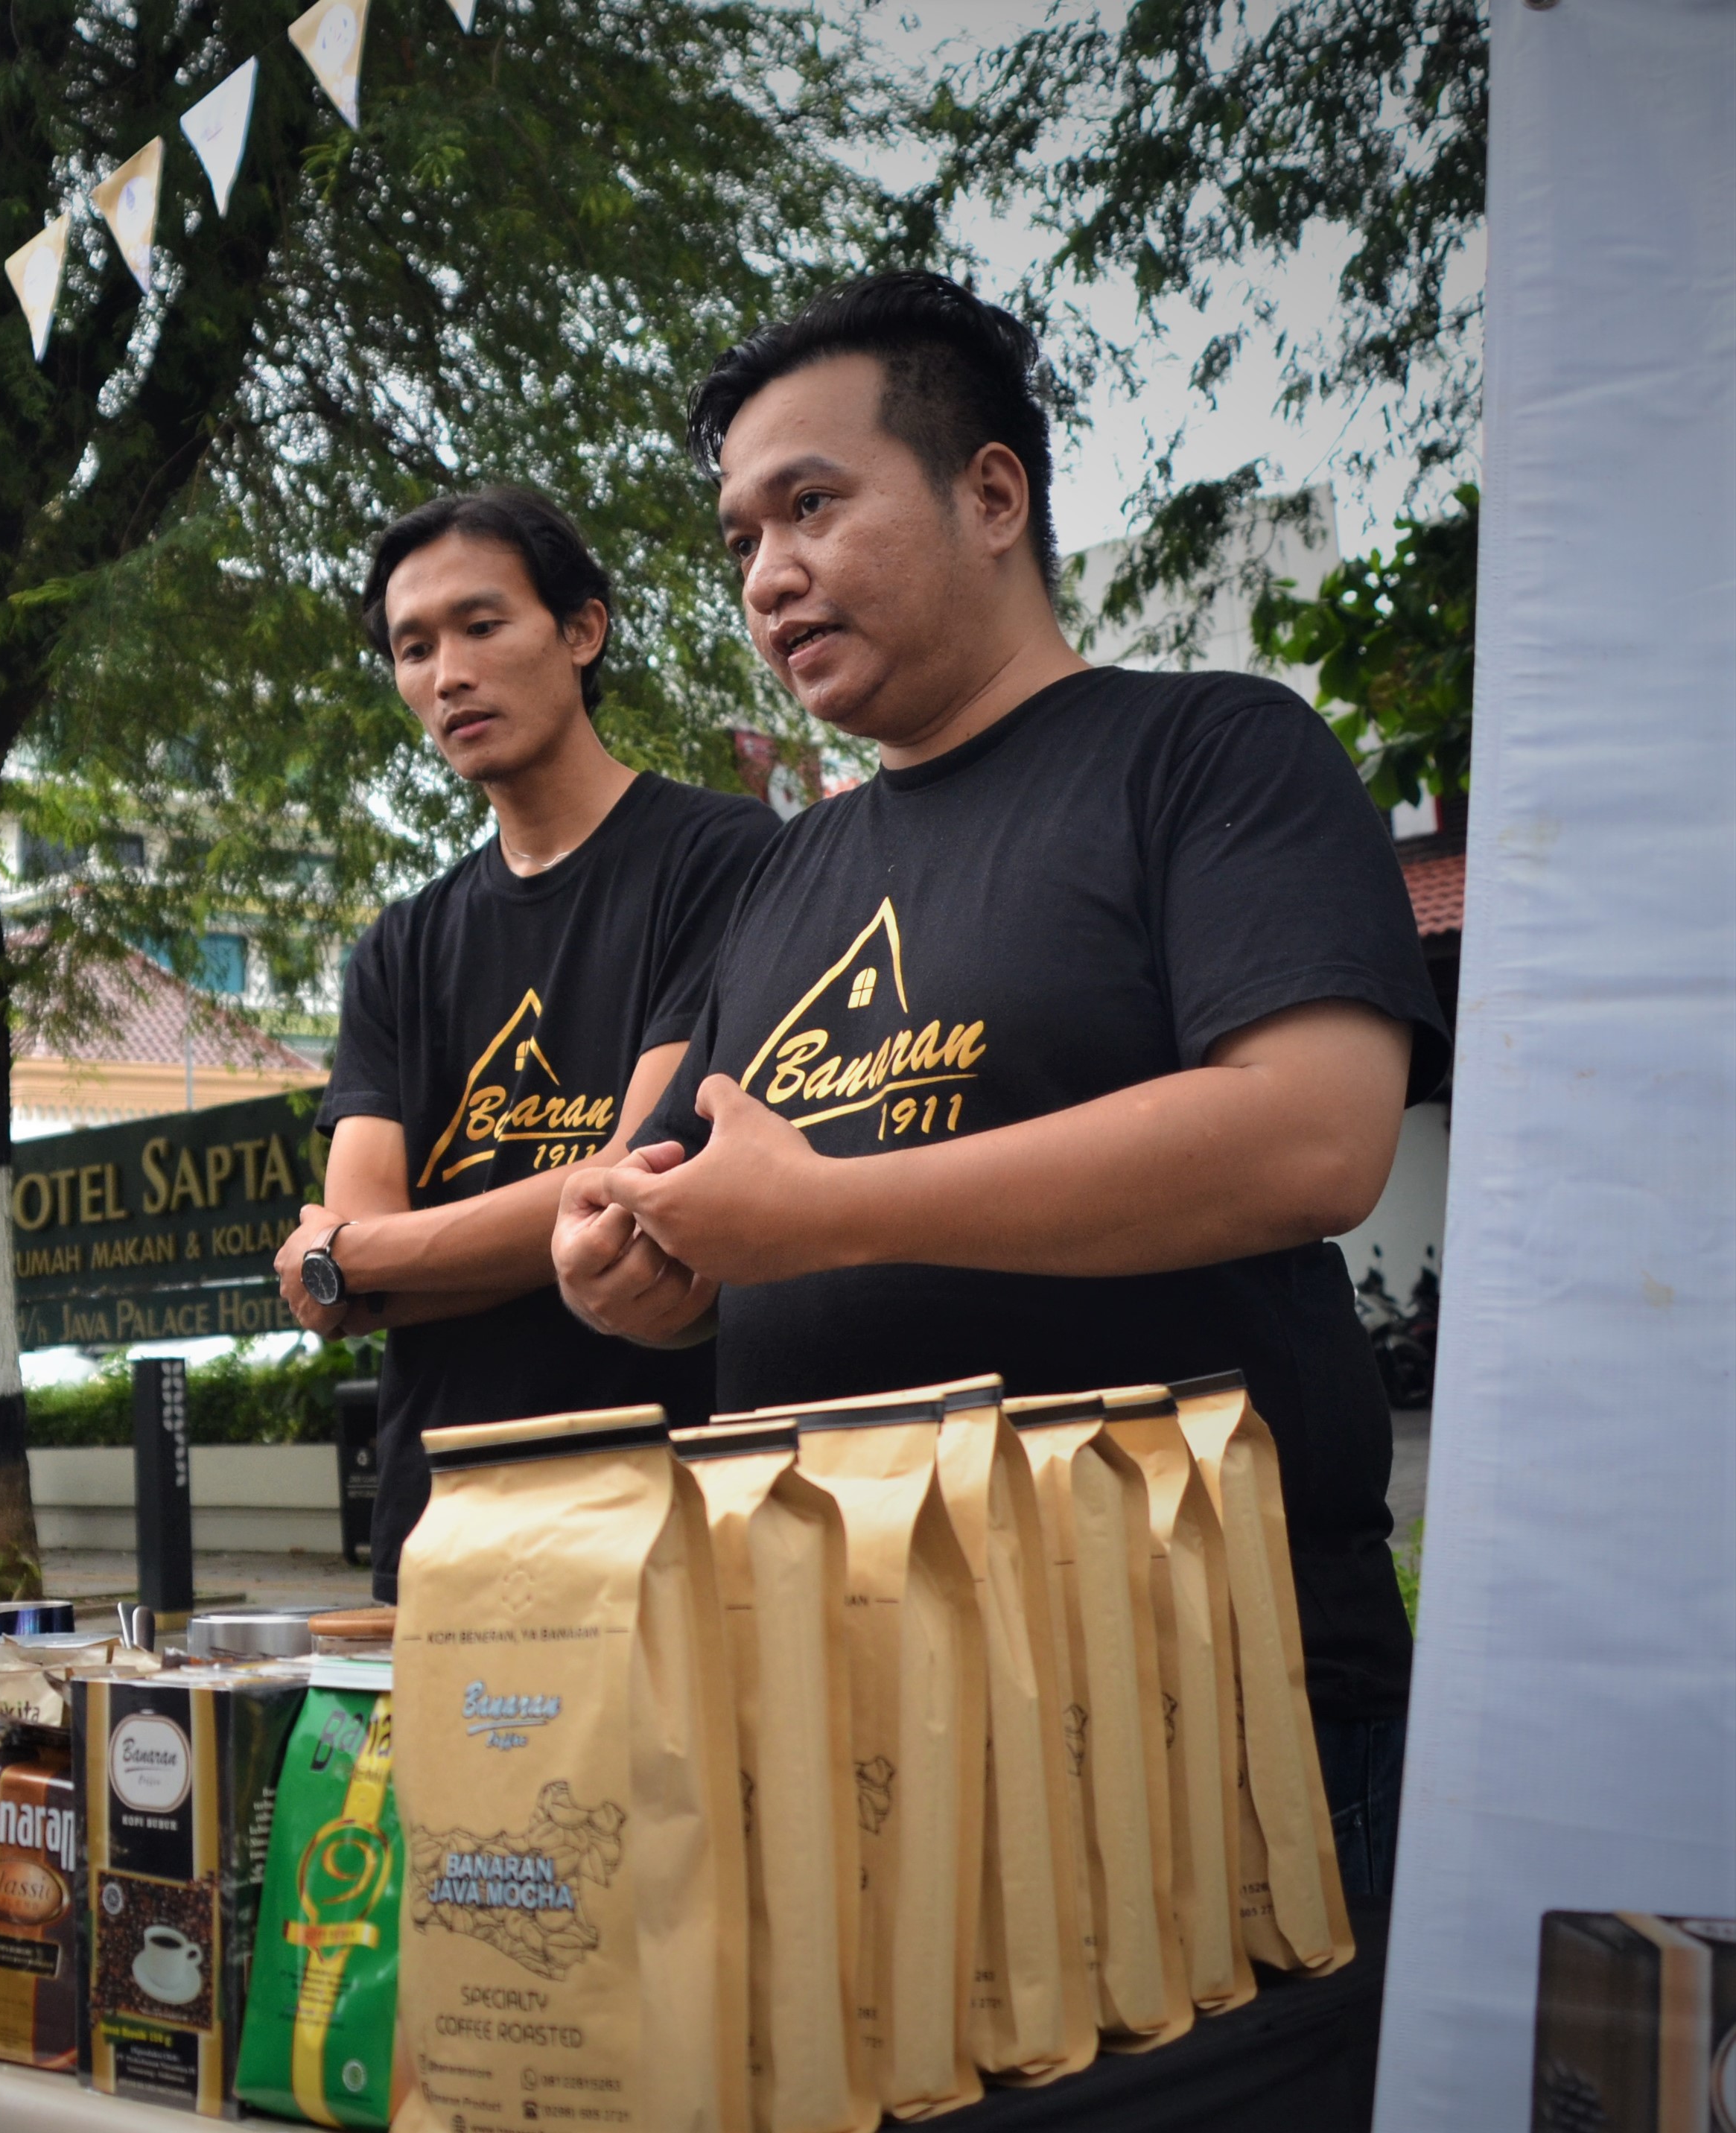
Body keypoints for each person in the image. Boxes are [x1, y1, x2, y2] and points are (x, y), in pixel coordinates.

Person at [553, 273, 1440, 1927]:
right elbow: (655, 1191)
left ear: (989, 494)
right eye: (738, 537)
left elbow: (1310, 1136)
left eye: (810, 505)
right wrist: (637, 1273)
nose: (766, 575)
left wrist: (817, 1214)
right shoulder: (773, 875)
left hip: (1200, 1697)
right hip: (829, 1702)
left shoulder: (1208, 755)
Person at [272, 487, 780, 1598]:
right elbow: (370, 1248)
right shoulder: (399, 948)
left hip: (662, 1516)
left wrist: (353, 1259)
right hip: (442, 1527)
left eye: (481, 625)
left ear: (582, 630)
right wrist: (382, 1258)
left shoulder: (722, 856)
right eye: (414, 648)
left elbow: (629, 1187)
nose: (446, 673)